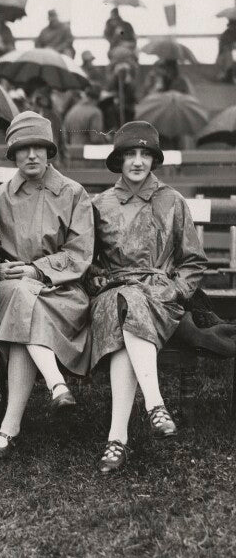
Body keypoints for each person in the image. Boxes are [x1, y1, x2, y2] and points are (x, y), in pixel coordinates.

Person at [88, 121, 207, 473]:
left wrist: (176, 289)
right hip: (112, 296)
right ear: (119, 161)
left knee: (133, 306)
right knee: (125, 301)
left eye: (145, 154)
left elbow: (193, 261)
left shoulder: (172, 200)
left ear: (154, 160)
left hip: (159, 295)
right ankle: (155, 404)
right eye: (129, 154)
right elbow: (88, 262)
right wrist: (98, 279)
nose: (137, 162)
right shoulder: (101, 204)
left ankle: (117, 438)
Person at [0, 112, 93, 462]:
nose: (31, 155)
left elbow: (80, 252)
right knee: (19, 296)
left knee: (23, 315)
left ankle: (8, 430)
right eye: (23, 148)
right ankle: (54, 382)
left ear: (49, 152)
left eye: (39, 148)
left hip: (61, 292)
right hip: (7, 287)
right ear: (12, 154)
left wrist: (37, 269)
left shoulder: (73, 193)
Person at [216, 19, 236, 84]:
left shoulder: (229, 32)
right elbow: (224, 41)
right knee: (227, 63)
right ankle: (227, 77)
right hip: (225, 50)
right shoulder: (228, 33)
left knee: (227, 63)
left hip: (226, 50)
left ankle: (227, 77)